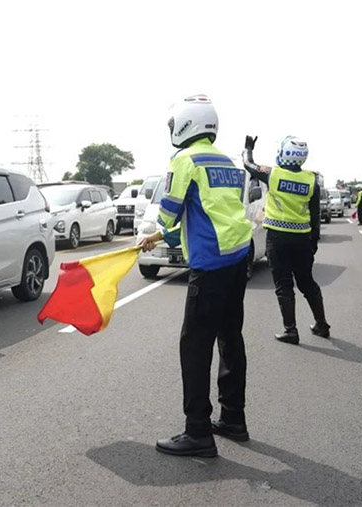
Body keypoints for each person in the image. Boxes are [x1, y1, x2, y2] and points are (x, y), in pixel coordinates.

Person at [138, 94, 253, 457]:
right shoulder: (226, 161)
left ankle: (198, 432)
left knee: (195, 346)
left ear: (186, 124)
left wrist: (155, 232)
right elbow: (210, 210)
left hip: (212, 263)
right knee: (230, 337)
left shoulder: (184, 160)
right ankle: (233, 417)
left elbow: (171, 212)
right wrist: (161, 237)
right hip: (238, 256)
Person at [241, 135, 330, 345]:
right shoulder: (311, 180)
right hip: (302, 238)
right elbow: (314, 216)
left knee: (283, 284)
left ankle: (291, 330)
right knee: (307, 282)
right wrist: (313, 242)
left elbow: (248, 165)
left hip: (277, 237)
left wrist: (248, 149)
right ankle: (322, 324)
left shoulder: (273, 174)